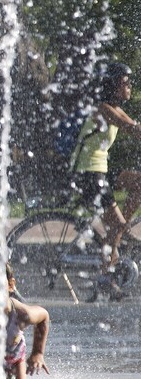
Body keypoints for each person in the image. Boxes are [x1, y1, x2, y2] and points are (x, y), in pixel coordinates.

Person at [69, 62, 141, 300]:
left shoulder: (114, 107)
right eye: (125, 82)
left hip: (102, 169)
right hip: (88, 173)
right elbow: (132, 128)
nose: (129, 86)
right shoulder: (103, 109)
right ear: (113, 85)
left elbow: (134, 127)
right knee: (116, 225)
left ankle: (120, 232)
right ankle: (106, 277)